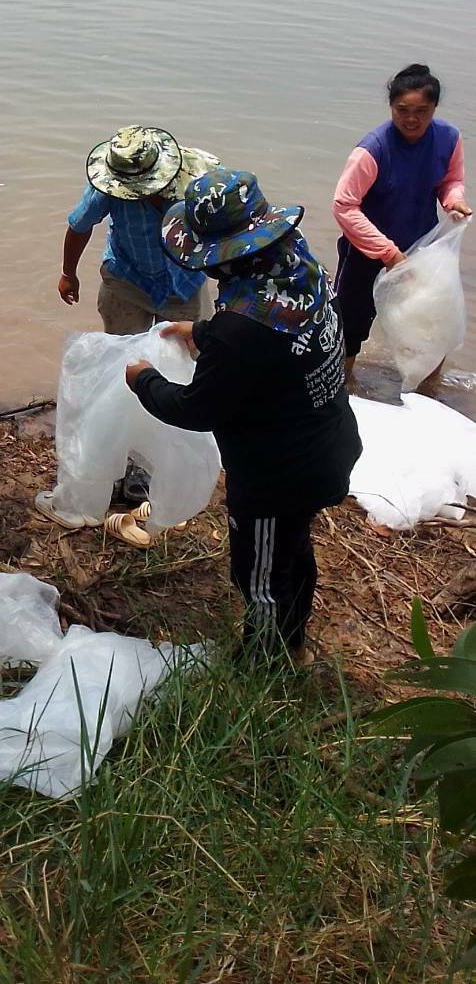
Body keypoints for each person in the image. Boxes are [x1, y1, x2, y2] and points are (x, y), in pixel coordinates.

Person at [126, 168, 362, 665]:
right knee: (293, 551)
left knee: (258, 572)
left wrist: (144, 379)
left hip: (277, 475)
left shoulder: (240, 330)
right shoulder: (298, 261)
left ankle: (263, 661)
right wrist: (205, 333)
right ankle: (293, 643)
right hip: (327, 440)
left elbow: (197, 408)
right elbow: (272, 339)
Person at [57, 125, 219, 505]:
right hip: (127, 279)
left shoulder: (195, 179)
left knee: (181, 371)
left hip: (182, 283)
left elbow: (224, 233)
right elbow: (79, 226)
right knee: (121, 368)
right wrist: (68, 273)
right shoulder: (106, 187)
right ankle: (117, 458)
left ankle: (153, 464)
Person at [333, 63, 470, 378]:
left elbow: (451, 180)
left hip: (420, 250)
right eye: (402, 109)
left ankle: (429, 394)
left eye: (422, 110)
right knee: (350, 327)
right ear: (391, 107)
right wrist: (387, 252)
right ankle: (341, 389)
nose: (411, 119)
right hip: (366, 253)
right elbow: (344, 206)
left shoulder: (448, 138)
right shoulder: (373, 149)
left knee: (428, 324)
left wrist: (454, 201)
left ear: (434, 107)